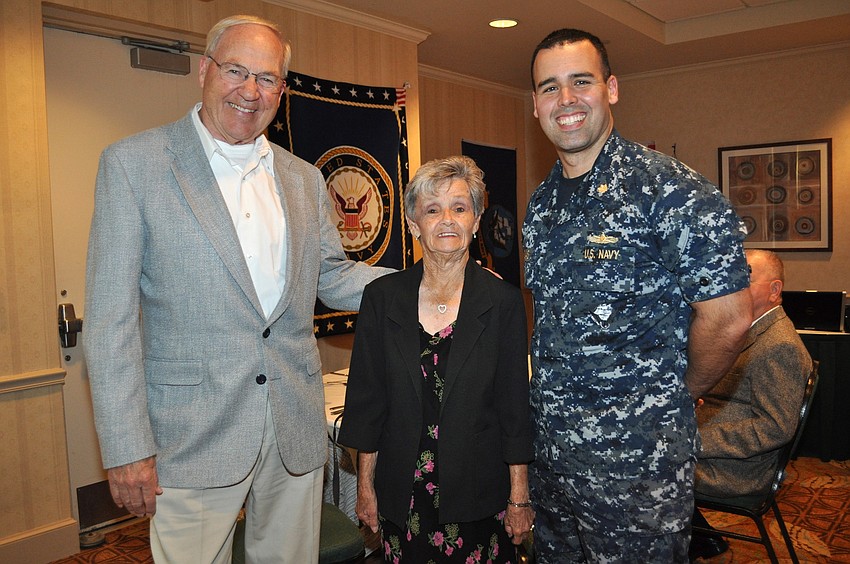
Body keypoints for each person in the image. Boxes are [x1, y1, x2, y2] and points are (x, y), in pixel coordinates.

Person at [83, 14, 391, 563]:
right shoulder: (134, 166)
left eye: (268, 78)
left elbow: (334, 277)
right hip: (192, 436)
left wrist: (427, 283)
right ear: (204, 70)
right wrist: (126, 447)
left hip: (293, 426)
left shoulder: (305, 179)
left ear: (282, 90)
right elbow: (109, 323)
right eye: (235, 70)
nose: (251, 90)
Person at [523, 28, 754, 562]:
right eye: (549, 87)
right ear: (534, 105)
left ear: (612, 88)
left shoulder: (672, 192)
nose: (566, 101)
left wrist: (672, 397)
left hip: (636, 476)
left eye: (580, 82)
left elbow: (729, 320)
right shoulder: (542, 205)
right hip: (554, 464)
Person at [339, 156, 535, 562]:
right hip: (401, 495)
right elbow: (367, 405)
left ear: (476, 221)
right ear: (414, 224)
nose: (447, 219)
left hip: (479, 495)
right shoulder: (381, 299)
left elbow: (514, 408)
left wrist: (519, 497)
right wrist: (365, 488)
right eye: (432, 210)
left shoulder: (502, 302)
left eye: (460, 208)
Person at [689, 249, 813, 560]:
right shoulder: (751, 329)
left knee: (637, 467)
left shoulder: (780, 345)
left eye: (745, 277)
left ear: (774, 290)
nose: (733, 284)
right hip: (720, 447)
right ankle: (703, 539)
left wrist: (695, 440)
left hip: (739, 471)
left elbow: (775, 428)